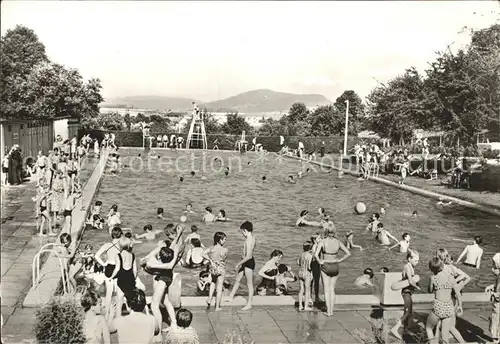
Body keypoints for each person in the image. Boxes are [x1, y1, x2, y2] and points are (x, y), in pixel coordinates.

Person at [314, 224, 351, 316]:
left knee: (326, 290)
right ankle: (332, 310)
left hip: (325, 265)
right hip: (335, 265)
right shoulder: (338, 242)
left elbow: (315, 254)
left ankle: (328, 311)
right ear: (334, 232)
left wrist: (320, 262)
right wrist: (339, 260)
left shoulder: (322, 241)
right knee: (332, 289)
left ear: (326, 232)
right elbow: (348, 253)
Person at [425, 258, 463, 344]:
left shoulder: (433, 278)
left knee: (429, 328)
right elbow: (458, 294)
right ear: (442, 267)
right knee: (445, 335)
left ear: (431, 269)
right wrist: (460, 306)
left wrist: (431, 284)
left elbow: (430, 290)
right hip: (449, 307)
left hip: (438, 306)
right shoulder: (451, 277)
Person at [391, 250, 421, 339]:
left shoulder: (411, 266)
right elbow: (410, 281)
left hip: (409, 292)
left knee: (409, 312)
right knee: (407, 313)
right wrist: (417, 286)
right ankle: (395, 329)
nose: (417, 262)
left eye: (418, 260)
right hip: (406, 293)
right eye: (415, 260)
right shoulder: (407, 267)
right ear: (409, 259)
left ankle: (406, 329)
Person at [227, 221, 256, 311]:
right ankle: (231, 296)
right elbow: (252, 250)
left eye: (242, 232)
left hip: (248, 263)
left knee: (249, 284)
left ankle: (249, 304)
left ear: (245, 230)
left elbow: (249, 256)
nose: (242, 234)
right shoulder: (253, 238)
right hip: (246, 262)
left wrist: (238, 264)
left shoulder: (248, 241)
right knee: (237, 279)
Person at [203, 232, 228, 311]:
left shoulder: (212, 248)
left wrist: (210, 260)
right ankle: (217, 307)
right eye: (224, 239)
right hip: (220, 269)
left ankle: (209, 299)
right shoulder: (225, 250)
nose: (225, 241)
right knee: (219, 288)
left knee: (213, 283)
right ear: (220, 240)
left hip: (213, 268)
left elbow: (202, 253)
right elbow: (224, 258)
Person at [485, 253, 500, 344]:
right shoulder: (499, 276)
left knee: (495, 321)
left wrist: (494, 294)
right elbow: (497, 283)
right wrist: (492, 286)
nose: (493, 267)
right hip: (497, 304)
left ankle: (495, 340)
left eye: (494, 264)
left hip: (498, 305)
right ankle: (497, 339)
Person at [297, 241, 313, 311]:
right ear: (310, 248)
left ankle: (300, 306)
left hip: (300, 272)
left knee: (301, 290)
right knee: (307, 290)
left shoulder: (301, 254)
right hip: (307, 273)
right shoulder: (310, 255)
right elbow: (309, 267)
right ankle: (306, 306)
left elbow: (298, 262)